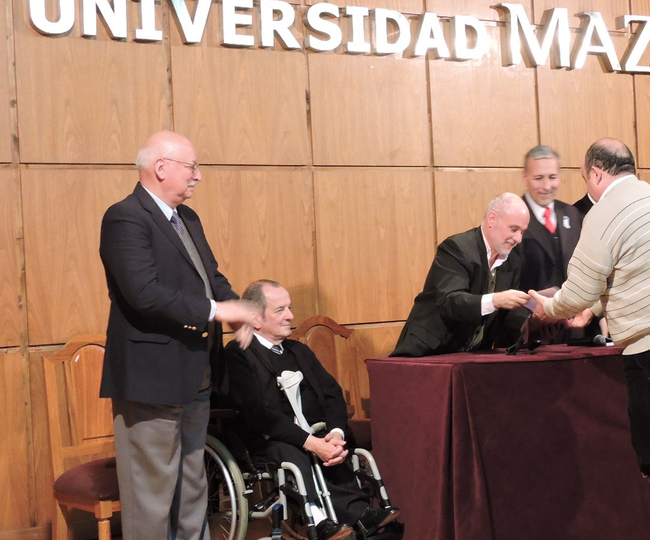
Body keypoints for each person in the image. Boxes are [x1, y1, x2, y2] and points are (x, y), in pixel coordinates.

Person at [529, 138, 650, 540]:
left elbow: (578, 291)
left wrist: (547, 307)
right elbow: (643, 270)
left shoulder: (604, 212)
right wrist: (597, 308)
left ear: (596, 173)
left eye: (585, 180)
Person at [99, 130, 259, 540]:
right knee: (150, 496)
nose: (198, 176)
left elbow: (212, 278)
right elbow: (144, 294)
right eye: (192, 166)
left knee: (193, 488)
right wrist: (215, 310)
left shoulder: (188, 218)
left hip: (196, 374)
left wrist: (235, 309)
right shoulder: (125, 217)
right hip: (150, 379)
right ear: (160, 167)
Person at [225, 280, 400, 538]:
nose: (291, 316)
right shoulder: (239, 354)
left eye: (290, 308)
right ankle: (317, 520)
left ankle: (361, 513)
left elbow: (332, 395)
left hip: (315, 433)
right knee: (293, 449)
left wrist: (337, 433)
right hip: (268, 439)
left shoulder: (299, 351)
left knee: (336, 442)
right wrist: (310, 442)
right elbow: (258, 414)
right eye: (280, 310)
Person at [391, 193, 531, 357]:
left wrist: (534, 323)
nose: (519, 239)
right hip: (427, 352)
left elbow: (508, 315)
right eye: (514, 229)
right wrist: (495, 300)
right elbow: (450, 302)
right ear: (492, 219)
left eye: (522, 232)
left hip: (471, 358)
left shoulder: (513, 262)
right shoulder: (457, 248)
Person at [517, 145, 584, 295]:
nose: (547, 186)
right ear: (525, 177)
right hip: (529, 313)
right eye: (538, 178)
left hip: (573, 313)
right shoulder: (512, 218)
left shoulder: (572, 215)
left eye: (552, 177)